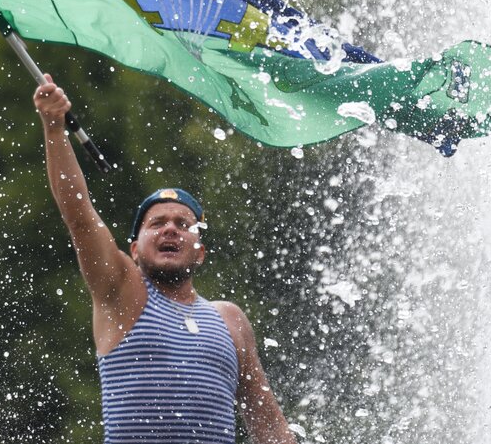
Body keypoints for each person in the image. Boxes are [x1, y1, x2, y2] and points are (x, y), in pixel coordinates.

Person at [34, 75, 299, 444]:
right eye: (156, 223)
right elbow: (79, 217)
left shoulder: (231, 320)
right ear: (134, 250)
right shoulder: (121, 292)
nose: (170, 229)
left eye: (183, 224)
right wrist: (54, 128)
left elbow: (269, 426)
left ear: (200, 252)